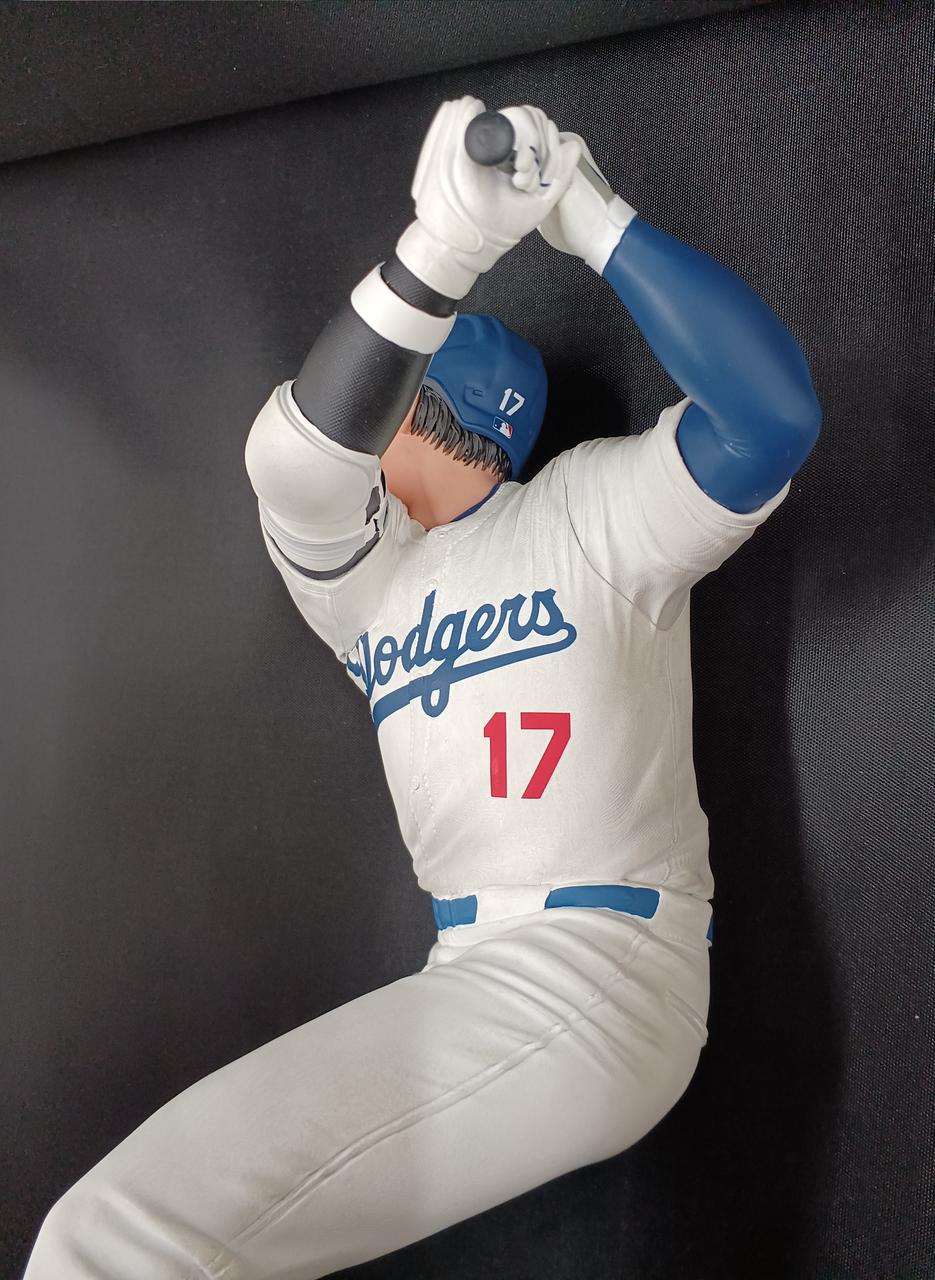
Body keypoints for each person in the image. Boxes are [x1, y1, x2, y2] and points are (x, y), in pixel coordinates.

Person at [23, 96, 820, 1279]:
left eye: (380, 396)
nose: (351, 411)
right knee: (122, 1236)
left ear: (411, 411)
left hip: (603, 963)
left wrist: (592, 220)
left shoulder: (588, 510)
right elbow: (289, 460)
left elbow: (770, 417)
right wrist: (438, 248)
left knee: (112, 1237)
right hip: (476, 969)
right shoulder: (368, 581)